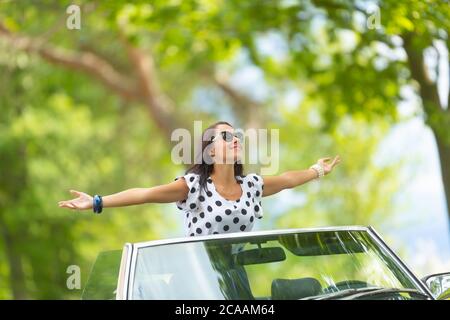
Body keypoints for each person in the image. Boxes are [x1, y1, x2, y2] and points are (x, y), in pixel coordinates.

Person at [58, 121, 341, 236]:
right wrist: (96, 201)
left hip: (234, 277)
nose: (235, 140)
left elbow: (288, 179)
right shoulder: (193, 187)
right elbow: (144, 194)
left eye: (237, 136)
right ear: (209, 149)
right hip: (198, 280)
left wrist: (317, 170)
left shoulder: (252, 186)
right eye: (226, 136)